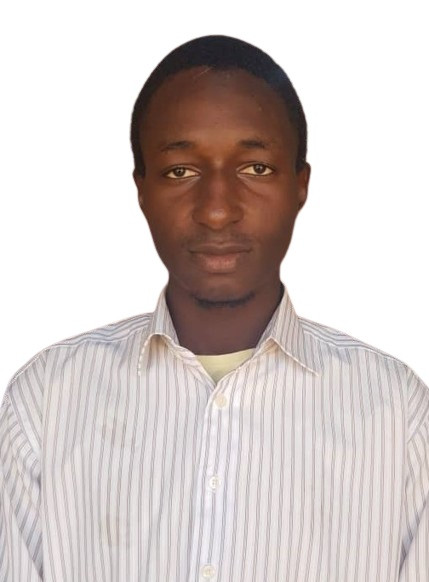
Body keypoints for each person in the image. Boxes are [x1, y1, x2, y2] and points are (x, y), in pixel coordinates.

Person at [0, 34, 427, 582]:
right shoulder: (46, 403)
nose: (218, 211)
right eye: (181, 171)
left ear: (301, 185)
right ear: (141, 190)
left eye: (256, 168)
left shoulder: (397, 416)